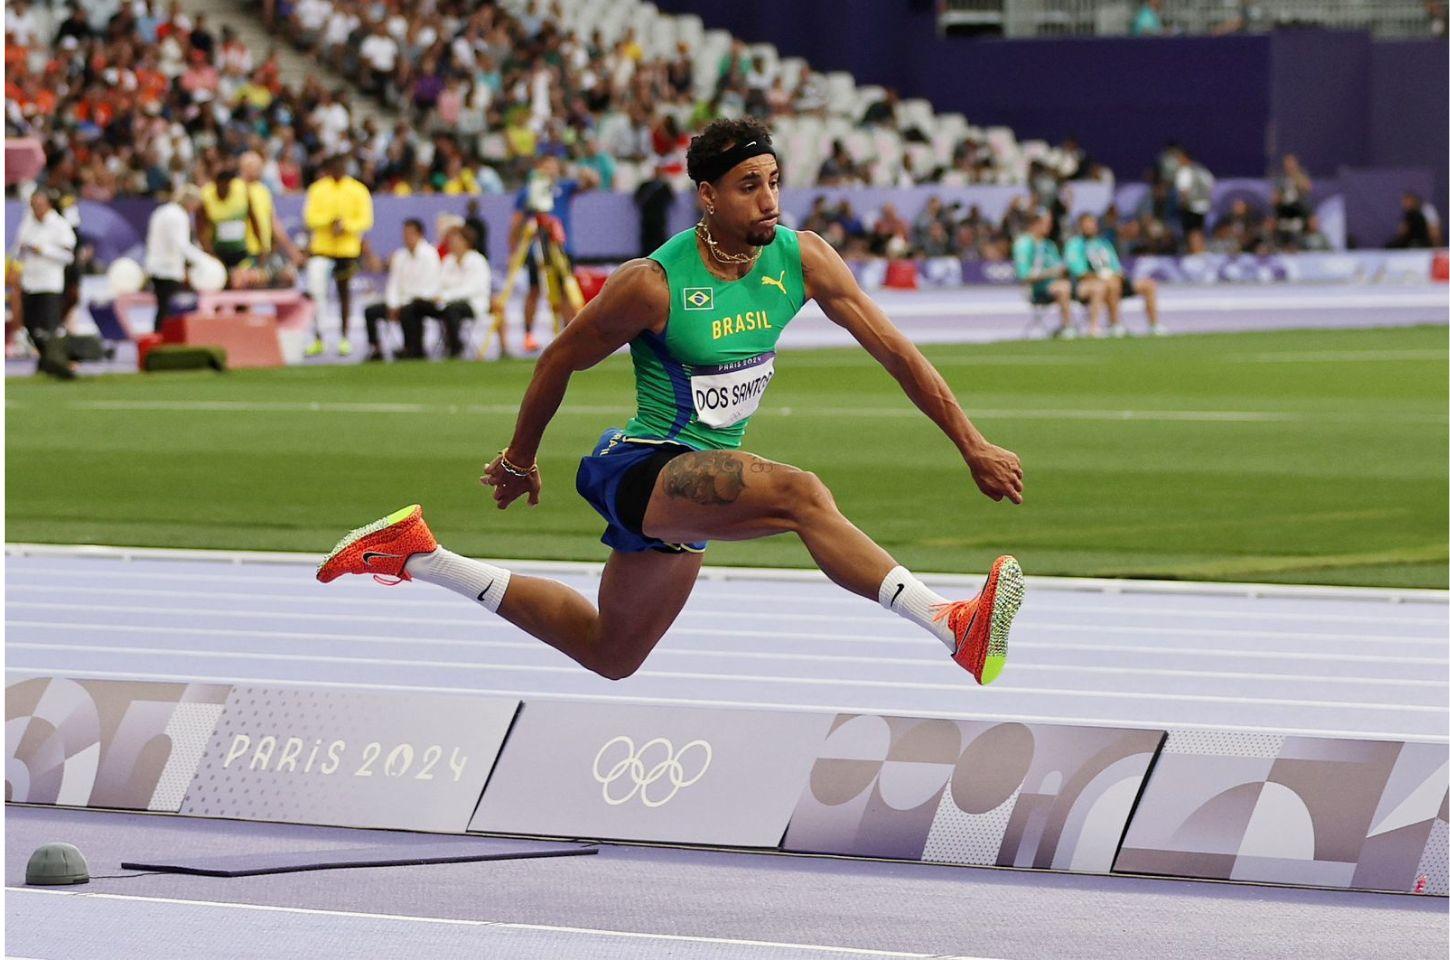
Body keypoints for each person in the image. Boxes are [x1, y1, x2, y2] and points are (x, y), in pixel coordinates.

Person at [318, 117, 1025, 688]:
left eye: (775, 181)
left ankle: (417, 555)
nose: (771, 201)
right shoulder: (652, 283)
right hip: (644, 466)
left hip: (697, 488)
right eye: (750, 185)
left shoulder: (801, 257)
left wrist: (972, 443)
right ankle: (951, 624)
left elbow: (897, 352)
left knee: (611, 653)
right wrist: (519, 459)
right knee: (803, 496)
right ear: (708, 195)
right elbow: (559, 357)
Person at [509, 155, 594, 352]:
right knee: (534, 290)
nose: (550, 171)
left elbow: (589, 184)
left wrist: (587, 173)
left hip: (562, 246)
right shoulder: (528, 191)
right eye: (546, 167)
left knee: (566, 291)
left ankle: (570, 334)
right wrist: (513, 249)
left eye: (553, 167)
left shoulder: (564, 188)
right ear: (538, 168)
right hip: (537, 247)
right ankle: (528, 335)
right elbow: (516, 222)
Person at [303, 152, 374, 357]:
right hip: (322, 248)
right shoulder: (318, 189)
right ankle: (318, 338)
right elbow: (310, 217)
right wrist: (329, 222)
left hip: (346, 249)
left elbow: (365, 220)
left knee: (344, 292)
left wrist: (346, 226)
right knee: (317, 292)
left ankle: (344, 338)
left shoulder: (357, 190)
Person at [13, 189, 77, 379]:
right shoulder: (28, 223)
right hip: (30, 281)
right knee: (31, 325)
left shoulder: (59, 224)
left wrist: (43, 250)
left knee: (48, 327)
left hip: (50, 282)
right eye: (33, 206)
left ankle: (54, 363)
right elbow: (18, 247)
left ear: (47, 204)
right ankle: (47, 360)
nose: (35, 209)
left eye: (39, 205)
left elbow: (68, 255)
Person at [1064, 213, 1163, 337]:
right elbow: (1078, 271)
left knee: (1149, 284)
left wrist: (1116, 275)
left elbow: (1116, 267)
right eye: (1087, 224)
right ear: (1080, 226)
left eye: (1092, 223)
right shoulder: (1075, 244)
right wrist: (1101, 276)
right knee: (1111, 284)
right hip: (1090, 283)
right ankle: (1115, 324)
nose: (1090, 226)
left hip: (1113, 278)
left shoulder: (1104, 243)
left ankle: (1154, 325)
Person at [1014, 208, 1103, 338]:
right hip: (1037, 288)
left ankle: (1094, 328)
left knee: (1097, 287)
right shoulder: (1024, 243)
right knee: (1063, 287)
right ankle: (1067, 326)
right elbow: (1024, 275)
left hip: (1062, 283)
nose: (1050, 226)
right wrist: (1051, 273)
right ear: (1036, 223)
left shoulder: (1049, 245)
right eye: (1047, 222)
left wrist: (1067, 270)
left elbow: (1059, 267)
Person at [362, 218, 439, 361]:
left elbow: (430, 286)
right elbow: (393, 284)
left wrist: (404, 303)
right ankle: (376, 348)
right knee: (370, 311)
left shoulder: (429, 255)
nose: (406, 237)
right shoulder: (400, 255)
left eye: (410, 233)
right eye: (404, 233)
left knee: (409, 309)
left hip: (422, 301)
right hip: (401, 301)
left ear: (420, 234)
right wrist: (393, 304)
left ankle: (412, 347)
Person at [144, 183, 209, 329]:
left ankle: (159, 338)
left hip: (155, 267)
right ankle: (163, 341)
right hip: (169, 270)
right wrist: (205, 260)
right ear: (190, 202)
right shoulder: (179, 216)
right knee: (168, 311)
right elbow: (182, 245)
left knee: (162, 308)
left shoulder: (161, 211)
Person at [427, 226, 490, 359]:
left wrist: (446, 296)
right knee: (417, 307)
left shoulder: (477, 261)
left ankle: (455, 348)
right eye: (451, 240)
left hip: (472, 304)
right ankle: (414, 349)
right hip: (445, 302)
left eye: (456, 240)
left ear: (466, 242)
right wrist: (435, 296)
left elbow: (472, 289)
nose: (452, 243)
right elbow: (439, 283)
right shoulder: (448, 261)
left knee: (452, 310)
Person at [200, 162, 255, 271]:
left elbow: (254, 219)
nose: (226, 186)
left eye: (228, 182)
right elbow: (201, 229)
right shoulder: (205, 196)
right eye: (222, 182)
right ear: (216, 183)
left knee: (241, 279)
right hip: (217, 251)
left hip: (240, 250)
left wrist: (261, 245)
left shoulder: (242, 191)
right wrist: (209, 252)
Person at [633, 162, 674, 257]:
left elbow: (671, 199)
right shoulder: (646, 185)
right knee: (646, 240)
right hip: (647, 218)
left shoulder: (664, 186)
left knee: (659, 239)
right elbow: (637, 198)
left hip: (659, 218)